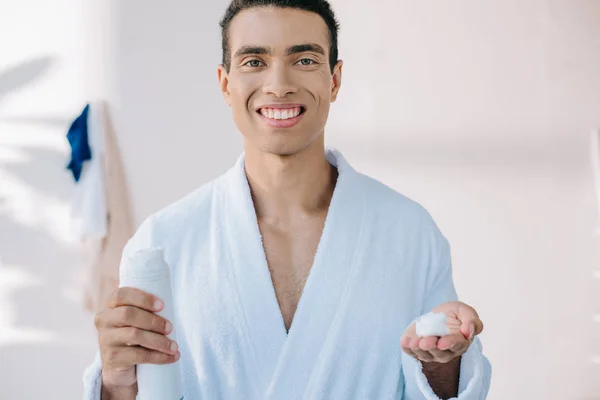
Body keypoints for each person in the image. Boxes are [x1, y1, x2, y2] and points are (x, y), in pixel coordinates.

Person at [83, 1, 492, 399]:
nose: (279, 85)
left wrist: (441, 362)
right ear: (226, 84)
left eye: (305, 60)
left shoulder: (410, 232)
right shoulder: (163, 241)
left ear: (335, 80)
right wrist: (118, 386)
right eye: (254, 62)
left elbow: (437, 391)